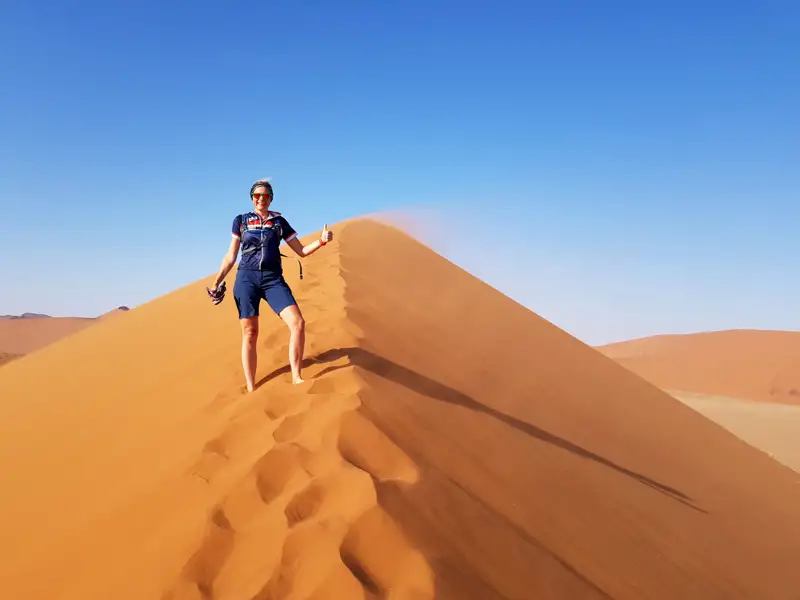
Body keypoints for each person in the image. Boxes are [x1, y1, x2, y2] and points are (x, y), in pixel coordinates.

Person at [206, 179, 333, 392]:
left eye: (265, 195)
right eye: (257, 195)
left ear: (271, 198)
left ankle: (297, 377)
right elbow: (231, 255)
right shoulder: (241, 221)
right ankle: (251, 386)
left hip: (273, 279)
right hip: (246, 278)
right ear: (252, 198)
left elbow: (301, 251)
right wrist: (216, 282)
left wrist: (321, 241)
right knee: (250, 332)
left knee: (298, 323)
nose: (261, 199)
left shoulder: (279, 222)